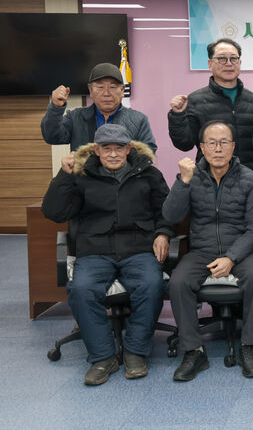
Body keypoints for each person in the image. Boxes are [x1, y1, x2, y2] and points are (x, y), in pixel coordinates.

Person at [41, 124, 170, 385]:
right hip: (95, 250)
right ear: (96, 151)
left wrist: (163, 233)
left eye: (119, 148)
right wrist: (63, 176)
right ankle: (103, 357)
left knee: (152, 284)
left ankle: (135, 351)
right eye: (106, 149)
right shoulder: (81, 176)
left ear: (128, 149)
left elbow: (165, 211)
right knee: (81, 289)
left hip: (138, 248)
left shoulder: (148, 174)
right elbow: (53, 212)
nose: (113, 154)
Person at [162, 121, 253, 381]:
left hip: (241, 250)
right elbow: (171, 216)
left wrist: (231, 257)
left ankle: (249, 346)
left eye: (224, 143)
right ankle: (193, 351)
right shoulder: (190, 177)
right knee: (178, 282)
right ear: (202, 147)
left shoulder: (250, 179)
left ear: (233, 146)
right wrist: (183, 182)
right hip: (202, 250)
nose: (218, 149)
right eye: (211, 143)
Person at [168, 38, 253, 179]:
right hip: (211, 181)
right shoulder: (194, 101)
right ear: (210, 64)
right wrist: (177, 116)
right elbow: (184, 144)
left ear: (240, 63)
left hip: (250, 182)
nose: (229, 63)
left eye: (233, 59)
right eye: (222, 59)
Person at [41, 62, 157, 152]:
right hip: (84, 176)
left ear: (122, 90)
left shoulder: (139, 120)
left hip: (124, 177)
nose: (106, 93)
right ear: (90, 90)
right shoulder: (76, 117)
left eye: (112, 87)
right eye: (100, 87)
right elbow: (52, 137)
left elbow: (148, 152)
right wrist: (56, 107)